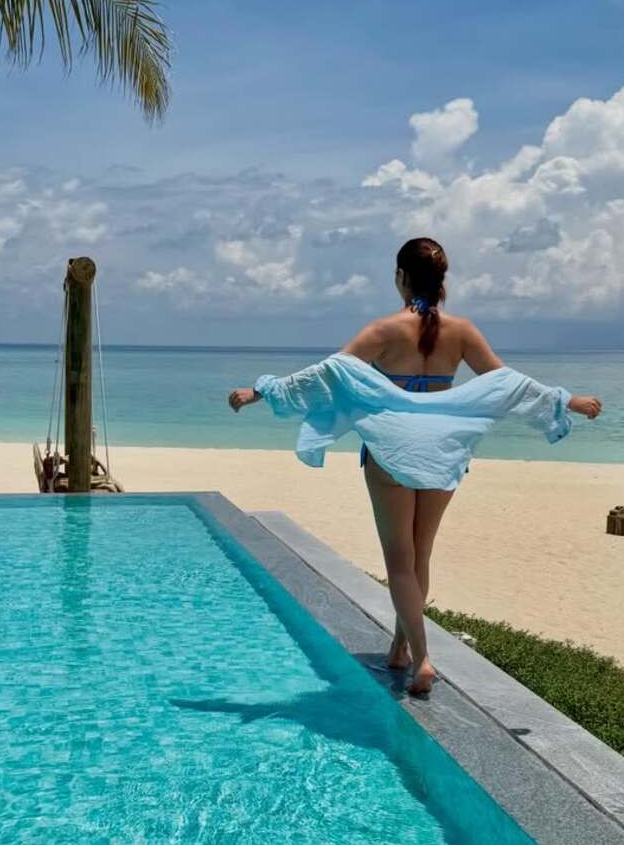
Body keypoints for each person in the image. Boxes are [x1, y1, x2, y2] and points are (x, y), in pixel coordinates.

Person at [228, 237, 602, 696]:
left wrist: (259, 392)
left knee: (399, 560)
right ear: (442, 281)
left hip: (392, 453)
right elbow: (508, 384)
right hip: (442, 454)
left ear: (401, 277)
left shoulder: (385, 331)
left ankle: (423, 658)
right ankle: (401, 649)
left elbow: (324, 375)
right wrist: (567, 401)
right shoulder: (462, 331)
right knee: (420, 554)